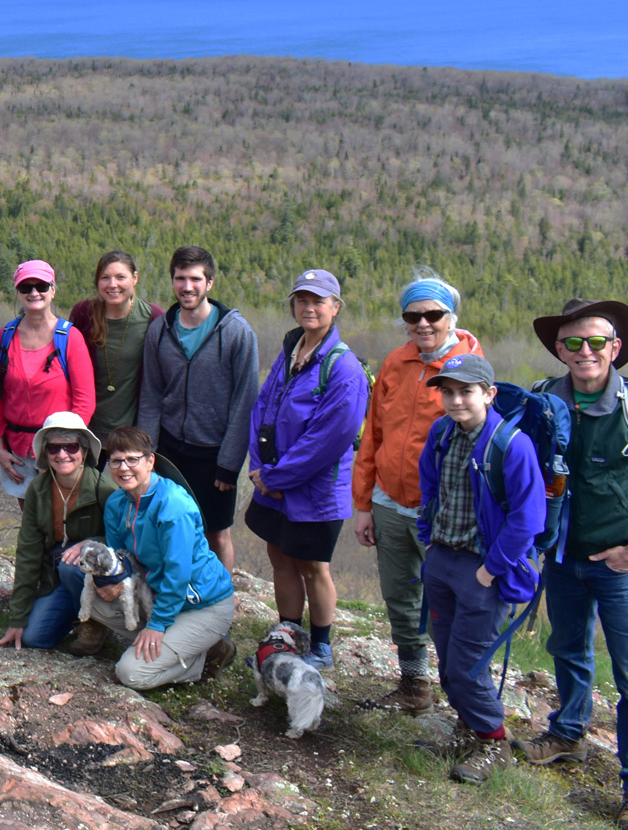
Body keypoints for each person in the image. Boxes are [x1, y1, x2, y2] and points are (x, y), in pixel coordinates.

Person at [513, 299, 628, 830]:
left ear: (615, 348)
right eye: (572, 343)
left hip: (622, 564)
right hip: (562, 559)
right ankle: (568, 734)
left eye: (596, 342)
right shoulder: (543, 402)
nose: (584, 352)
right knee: (567, 650)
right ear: (559, 349)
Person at [353, 271, 483, 712]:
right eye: (413, 316)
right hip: (389, 502)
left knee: (448, 604)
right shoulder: (395, 363)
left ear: (451, 316)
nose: (423, 324)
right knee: (399, 597)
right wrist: (363, 503)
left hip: (443, 513)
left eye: (433, 314)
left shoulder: (469, 368)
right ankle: (414, 686)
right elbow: (373, 434)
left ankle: (465, 700)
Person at [413, 354, 544, 785]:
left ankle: (494, 742)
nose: (455, 401)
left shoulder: (512, 444)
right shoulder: (441, 434)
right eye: (447, 392)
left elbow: (528, 518)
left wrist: (490, 571)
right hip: (442, 560)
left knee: (468, 664)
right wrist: (428, 536)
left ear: (489, 394)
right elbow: (430, 486)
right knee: (448, 658)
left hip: (482, 570)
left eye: (466, 392)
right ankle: (468, 728)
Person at [244, 269, 370, 669]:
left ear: (335, 307)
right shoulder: (291, 349)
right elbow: (262, 408)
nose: (309, 307)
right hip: (273, 481)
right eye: (302, 299)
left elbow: (328, 440)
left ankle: (320, 649)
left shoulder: (344, 368)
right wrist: (259, 467)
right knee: (279, 555)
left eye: (318, 300)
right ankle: (287, 635)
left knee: (314, 566)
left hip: (315, 490)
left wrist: (276, 477)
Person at [137, 245, 259, 572]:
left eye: (195, 279)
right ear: (172, 281)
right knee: (170, 528)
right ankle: (176, 598)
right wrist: (146, 453)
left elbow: (245, 401)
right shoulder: (160, 331)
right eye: (180, 278)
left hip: (214, 453)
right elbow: (150, 395)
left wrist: (229, 463)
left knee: (216, 535)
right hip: (170, 451)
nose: (187, 286)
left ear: (210, 284)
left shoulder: (235, 332)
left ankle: (220, 602)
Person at [92, 425, 238, 689]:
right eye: (116, 461)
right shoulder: (117, 504)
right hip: (157, 595)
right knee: (94, 599)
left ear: (150, 461)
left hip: (203, 605)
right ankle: (175, 643)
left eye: (132, 459)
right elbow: (121, 556)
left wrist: (158, 624)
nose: (124, 468)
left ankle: (205, 655)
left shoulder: (172, 505)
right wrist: (115, 580)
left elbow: (178, 573)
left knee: (130, 673)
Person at [0, 413, 111, 652]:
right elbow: (28, 551)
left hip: (95, 572)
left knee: (71, 565)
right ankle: (74, 615)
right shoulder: (38, 489)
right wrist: (18, 618)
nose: (62, 454)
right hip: (57, 574)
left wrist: (90, 542)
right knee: (35, 637)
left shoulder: (104, 489)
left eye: (71, 447)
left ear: (84, 451)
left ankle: (97, 622)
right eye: (55, 448)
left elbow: (122, 541)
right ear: (45, 453)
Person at [0, 261, 95, 502]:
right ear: (18, 292)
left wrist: (62, 451)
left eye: (42, 286)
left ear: (53, 290)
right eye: (26, 287)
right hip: (18, 449)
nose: (34, 292)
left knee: (61, 520)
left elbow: (85, 402)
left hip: (60, 449)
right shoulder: (4, 338)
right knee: (30, 521)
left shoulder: (70, 338)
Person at [68, 250, 160, 441]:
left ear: (135, 278)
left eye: (120, 277)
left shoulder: (153, 318)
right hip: (85, 429)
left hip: (130, 435)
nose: (112, 285)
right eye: (105, 278)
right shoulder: (84, 313)